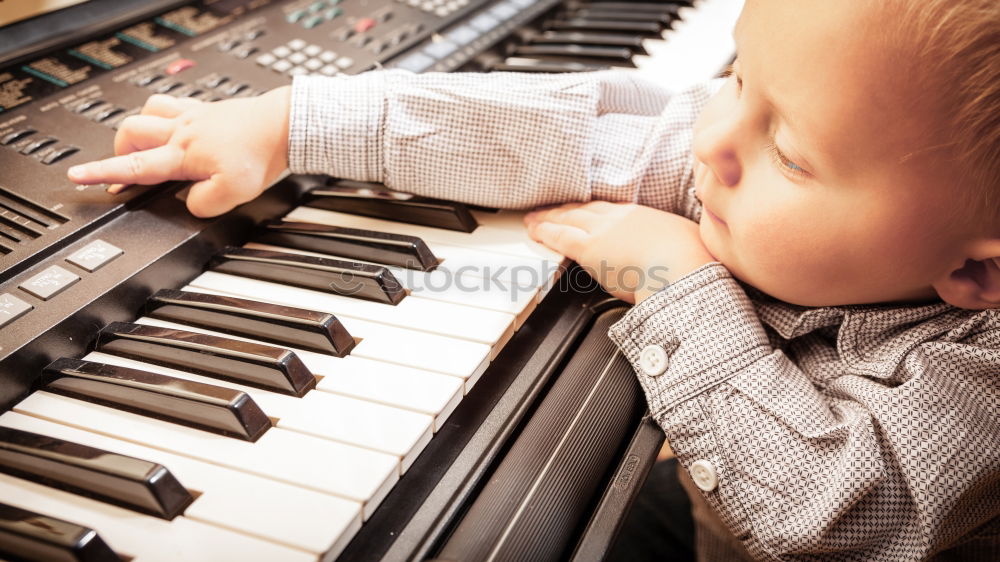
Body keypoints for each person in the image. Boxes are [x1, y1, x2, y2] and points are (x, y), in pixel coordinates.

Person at [67, 0, 1000, 559]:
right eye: (738, 80)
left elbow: (824, 514)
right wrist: (294, 124)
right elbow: (574, 131)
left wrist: (680, 289)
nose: (713, 139)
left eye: (789, 153)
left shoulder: (980, 380)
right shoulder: (743, 161)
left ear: (975, 271)